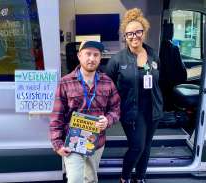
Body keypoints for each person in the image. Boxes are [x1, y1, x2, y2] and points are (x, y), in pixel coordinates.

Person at [50, 41, 121, 183]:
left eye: (96, 55)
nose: (92, 58)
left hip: (96, 143)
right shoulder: (65, 82)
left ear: (100, 58)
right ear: (79, 56)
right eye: (88, 54)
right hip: (72, 142)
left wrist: (108, 120)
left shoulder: (107, 82)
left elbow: (116, 108)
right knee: (75, 180)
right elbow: (56, 116)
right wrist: (57, 143)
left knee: (91, 179)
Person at [105, 8, 163, 183]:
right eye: (129, 33)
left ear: (144, 32)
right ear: (125, 36)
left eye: (138, 32)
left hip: (153, 109)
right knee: (137, 146)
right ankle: (125, 177)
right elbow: (107, 86)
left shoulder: (153, 55)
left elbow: (159, 80)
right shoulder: (118, 60)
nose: (134, 36)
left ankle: (140, 177)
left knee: (146, 147)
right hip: (131, 110)